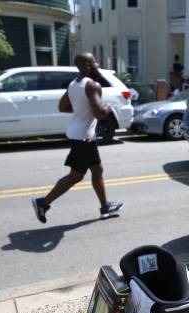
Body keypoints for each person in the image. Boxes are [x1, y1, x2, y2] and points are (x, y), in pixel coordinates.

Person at [31, 52, 123, 223]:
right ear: (87, 65)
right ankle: (43, 203)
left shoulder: (74, 84)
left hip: (81, 134)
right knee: (76, 176)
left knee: (97, 170)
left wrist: (82, 110)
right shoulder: (92, 86)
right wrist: (108, 107)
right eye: (94, 62)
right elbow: (99, 113)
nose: (97, 64)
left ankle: (105, 207)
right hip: (83, 137)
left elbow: (62, 106)